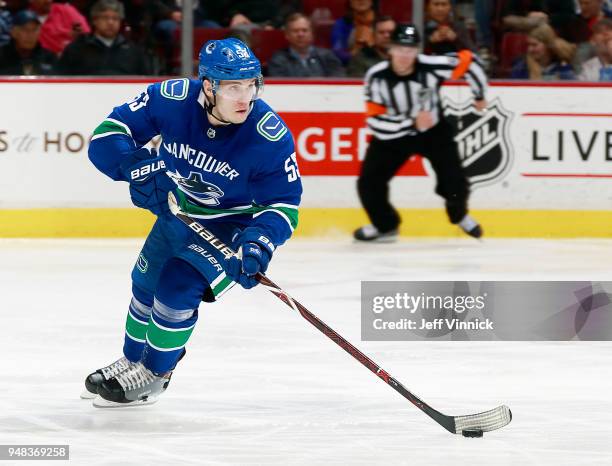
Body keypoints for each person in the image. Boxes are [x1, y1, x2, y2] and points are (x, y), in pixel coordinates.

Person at [84, 38, 302, 407]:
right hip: (177, 211)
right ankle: (132, 361)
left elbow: (283, 203)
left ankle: (155, 373)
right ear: (208, 85)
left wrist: (260, 241)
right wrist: (135, 168)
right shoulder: (170, 99)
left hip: (230, 226)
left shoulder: (269, 136)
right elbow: (107, 135)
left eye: (251, 86)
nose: (245, 98)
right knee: (144, 286)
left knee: (176, 286)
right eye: (233, 87)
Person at [353, 23, 487, 242]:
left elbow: (470, 62)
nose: (405, 55)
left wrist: (479, 95)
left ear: (417, 51)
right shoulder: (376, 77)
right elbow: (376, 122)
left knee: (455, 182)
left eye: (411, 50)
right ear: (391, 49)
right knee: (369, 183)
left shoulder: (431, 66)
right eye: (400, 49)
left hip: (434, 132)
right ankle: (385, 225)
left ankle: (459, 215)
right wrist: (411, 123)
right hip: (393, 136)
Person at [58, 0, 151, 75]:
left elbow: (145, 80)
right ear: (94, 20)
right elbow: (62, 78)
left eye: (115, 18)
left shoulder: (133, 50)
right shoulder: (77, 48)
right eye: (105, 18)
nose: (110, 22)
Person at [268, 12, 345, 77]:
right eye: (295, 31)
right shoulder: (278, 60)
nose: (300, 34)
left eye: (304, 30)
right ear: (287, 35)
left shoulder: (327, 56)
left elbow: (339, 84)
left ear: (312, 34)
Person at [0, 10, 57, 75]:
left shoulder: (48, 57)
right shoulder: (2, 56)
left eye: (34, 30)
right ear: (14, 32)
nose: (30, 35)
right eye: (24, 29)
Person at [510, 24, 576, 79]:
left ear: (547, 45)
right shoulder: (521, 68)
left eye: (534, 45)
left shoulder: (563, 68)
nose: (530, 49)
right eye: (528, 45)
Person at [331, 0, 376, 64]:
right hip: (351, 66)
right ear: (350, 2)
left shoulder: (382, 23)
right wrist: (357, 47)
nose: (361, 1)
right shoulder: (342, 24)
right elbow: (338, 53)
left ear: (372, 1)